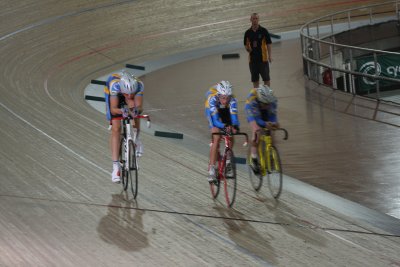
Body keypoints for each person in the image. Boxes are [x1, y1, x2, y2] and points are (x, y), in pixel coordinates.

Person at [104, 71, 144, 183]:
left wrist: (135, 110)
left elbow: (139, 107)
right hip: (114, 96)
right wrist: (122, 110)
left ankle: (137, 139)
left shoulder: (139, 85)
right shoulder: (114, 86)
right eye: (127, 94)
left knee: (134, 111)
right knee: (116, 128)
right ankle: (115, 167)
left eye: (132, 93)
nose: (130, 96)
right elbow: (113, 109)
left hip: (127, 92)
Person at [205, 80, 240, 183]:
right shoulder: (212, 100)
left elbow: (234, 118)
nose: (225, 100)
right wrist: (224, 126)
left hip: (224, 112)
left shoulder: (232, 100)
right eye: (223, 98)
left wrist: (234, 126)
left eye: (227, 98)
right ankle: (211, 169)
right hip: (212, 112)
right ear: (219, 95)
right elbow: (215, 121)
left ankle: (228, 162)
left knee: (231, 135)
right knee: (216, 136)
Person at [244, 85, 279, 174]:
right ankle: (254, 159)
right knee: (257, 131)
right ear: (260, 100)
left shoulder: (273, 101)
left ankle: (271, 156)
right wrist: (264, 124)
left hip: (265, 109)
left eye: (268, 104)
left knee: (271, 131)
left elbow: (273, 116)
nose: (266, 106)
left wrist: (274, 123)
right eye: (265, 104)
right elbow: (256, 119)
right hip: (252, 111)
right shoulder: (253, 100)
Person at [243, 13, 273, 88]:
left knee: (266, 79)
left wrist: (270, 56)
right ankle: (257, 96)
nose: (255, 20)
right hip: (252, 61)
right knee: (255, 80)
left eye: (256, 18)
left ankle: (267, 95)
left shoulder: (264, 31)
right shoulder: (247, 33)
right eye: (253, 18)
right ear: (250, 20)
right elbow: (246, 45)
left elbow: (269, 43)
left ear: (258, 19)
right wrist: (248, 49)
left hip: (263, 59)